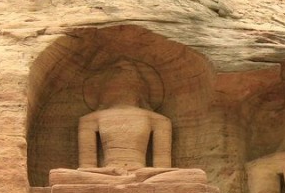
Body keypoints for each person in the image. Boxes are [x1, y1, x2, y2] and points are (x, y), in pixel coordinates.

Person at [49, 60, 206, 185]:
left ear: (141, 87)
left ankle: (128, 182)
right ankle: (128, 183)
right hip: (107, 175)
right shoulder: (90, 119)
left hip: (145, 175)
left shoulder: (159, 120)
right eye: (115, 79)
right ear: (104, 87)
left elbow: (163, 168)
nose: (123, 83)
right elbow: (86, 168)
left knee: (196, 176)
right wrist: (109, 172)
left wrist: (142, 173)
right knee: (58, 176)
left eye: (131, 79)